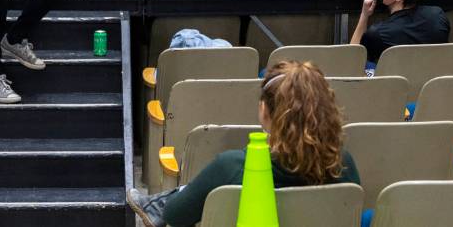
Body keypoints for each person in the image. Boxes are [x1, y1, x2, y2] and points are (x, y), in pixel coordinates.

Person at [126, 60, 360, 227]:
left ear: (264, 110)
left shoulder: (232, 166)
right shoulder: (342, 162)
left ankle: (159, 201)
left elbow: (175, 216)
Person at [350, 0, 450, 65]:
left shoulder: (378, 33)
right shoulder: (438, 15)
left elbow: (352, 59)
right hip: (433, 73)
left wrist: (364, 15)